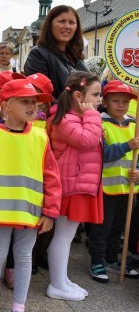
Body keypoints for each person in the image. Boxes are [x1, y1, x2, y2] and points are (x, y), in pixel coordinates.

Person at [0, 79, 61, 312]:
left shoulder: (41, 137)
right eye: (25, 101)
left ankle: (19, 306)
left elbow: (52, 176)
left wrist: (51, 212)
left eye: (34, 102)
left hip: (30, 214)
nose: (32, 106)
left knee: (23, 258)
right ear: (6, 106)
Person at [46, 72, 103, 300]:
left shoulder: (75, 118)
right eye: (96, 95)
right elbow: (86, 140)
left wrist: (90, 118)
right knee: (63, 236)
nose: (99, 100)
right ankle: (57, 284)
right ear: (79, 96)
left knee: (66, 237)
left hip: (78, 183)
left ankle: (62, 279)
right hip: (70, 186)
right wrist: (92, 116)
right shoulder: (64, 119)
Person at [88, 80, 139, 283]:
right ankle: (97, 260)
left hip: (129, 186)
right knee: (102, 226)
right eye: (115, 100)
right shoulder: (100, 123)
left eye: (125, 101)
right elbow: (103, 154)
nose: (121, 105)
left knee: (119, 227)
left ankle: (112, 258)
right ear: (105, 102)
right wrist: (127, 145)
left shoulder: (134, 123)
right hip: (107, 187)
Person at [24, 5, 88, 99]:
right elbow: (42, 98)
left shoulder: (75, 58)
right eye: (62, 21)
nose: (67, 26)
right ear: (50, 25)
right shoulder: (38, 55)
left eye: (71, 22)